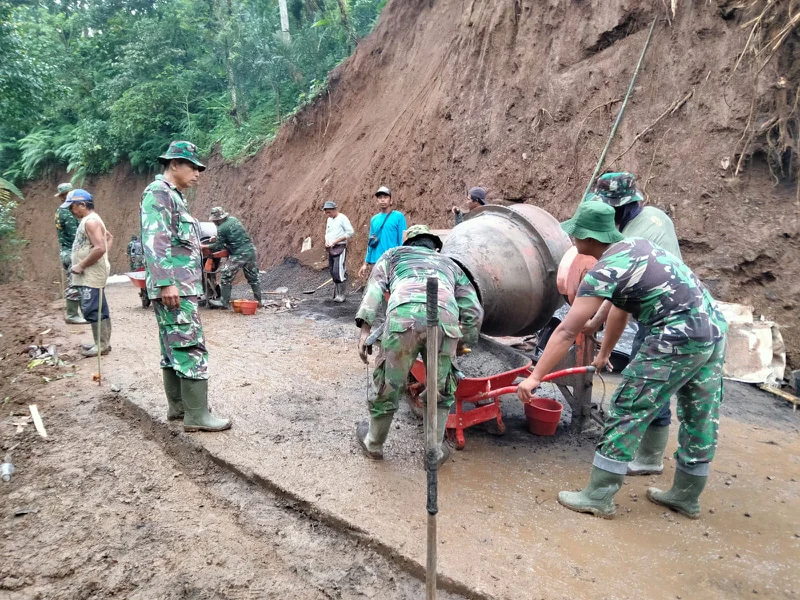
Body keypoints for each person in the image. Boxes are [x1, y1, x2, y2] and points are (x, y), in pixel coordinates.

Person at [517, 202, 727, 520]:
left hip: (676, 336)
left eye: (576, 234)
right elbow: (620, 308)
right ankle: (687, 495)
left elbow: (566, 331)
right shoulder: (636, 247)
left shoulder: (603, 271)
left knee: (628, 407)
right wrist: (603, 352)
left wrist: (535, 377)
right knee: (700, 413)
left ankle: (598, 496)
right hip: (712, 330)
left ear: (588, 238)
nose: (573, 239)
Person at [355, 225, 484, 464]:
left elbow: (374, 289)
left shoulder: (393, 255)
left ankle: (374, 443)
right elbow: (473, 311)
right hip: (445, 321)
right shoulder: (450, 264)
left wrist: (365, 331)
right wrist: (463, 343)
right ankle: (433, 451)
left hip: (403, 318)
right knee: (441, 387)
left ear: (408, 244)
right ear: (435, 247)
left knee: (388, 384)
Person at [585, 172, 683, 476]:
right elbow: (620, 295)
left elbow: (620, 307)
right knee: (666, 389)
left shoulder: (631, 240)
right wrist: (595, 322)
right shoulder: (656, 216)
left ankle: (644, 460)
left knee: (644, 388)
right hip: (687, 311)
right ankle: (652, 457)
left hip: (662, 322)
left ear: (616, 208)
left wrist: (603, 352)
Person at [140, 140, 231, 432]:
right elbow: (155, 241)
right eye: (192, 167)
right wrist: (166, 283)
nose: (197, 173)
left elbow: (173, 239)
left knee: (172, 345)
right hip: (175, 287)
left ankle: (179, 408)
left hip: (179, 285)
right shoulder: (159, 193)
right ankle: (197, 415)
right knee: (190, 345)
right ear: (174, 164)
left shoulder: (173, 196)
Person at [63, 189, 113, 357]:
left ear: (82, 205)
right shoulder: (89, 220)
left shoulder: (91, 222)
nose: (71, 211)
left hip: (92, 273)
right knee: (97, 306)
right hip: (91, 272)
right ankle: (102, 343)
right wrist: (103, 257)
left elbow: (100, 247)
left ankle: (102, 345)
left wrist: (82, 264)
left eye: (72, 207)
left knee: (93, 308)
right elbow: (108, 237)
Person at [205, 206, 262, 309]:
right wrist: (217, 238)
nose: (214, 222)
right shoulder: (233, 219)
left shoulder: (221, 228)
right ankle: (259, 301)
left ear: (218, 219)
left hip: (239, 254)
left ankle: (224, 302)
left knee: (226, 275)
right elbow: (233, 234)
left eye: (214, 221)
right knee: (253, 277)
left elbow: (218, 246)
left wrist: (204, 247)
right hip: (250, 250)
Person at [53, 182, 87, 324]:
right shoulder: (67, 213)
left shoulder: (59, 211)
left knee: (78, 282)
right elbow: (75, 236)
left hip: (66, 251)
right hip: (71, 252)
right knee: (75, 283)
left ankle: (82, 313)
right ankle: (72, 314)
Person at [357, 186, 406, 279]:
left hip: (392, 261)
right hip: (376, 261)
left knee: (392, 286)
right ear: (377, 201)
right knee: (377, 287)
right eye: (380, 197)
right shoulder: (374, 219)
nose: (382, 200)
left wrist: (402, 260)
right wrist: (365, 263)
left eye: (385, 197)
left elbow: (402, 240)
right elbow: (371, 243)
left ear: (391, 201)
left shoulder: (398, 217)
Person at [322, 200, 354, 303]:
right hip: (331, 247)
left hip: (340, 247)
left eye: (329, 212)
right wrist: (327, 241)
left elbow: (350, 232)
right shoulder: (329, 219)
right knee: (332, 270)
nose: (328, 214)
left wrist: (337, 240)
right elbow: (327, 233)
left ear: (334, 209)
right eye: (326, 212)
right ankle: (337, 293)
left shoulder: (342, 218)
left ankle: (342, 294)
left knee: (338, 270)